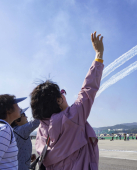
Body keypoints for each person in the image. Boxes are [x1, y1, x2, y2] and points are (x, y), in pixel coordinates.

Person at [31, 31, 104, 169]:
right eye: (62, 93)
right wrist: (99, 56)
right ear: (58, 101)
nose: (64, 95)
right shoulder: (73, 116)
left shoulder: (41, 130)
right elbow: (88, 89)